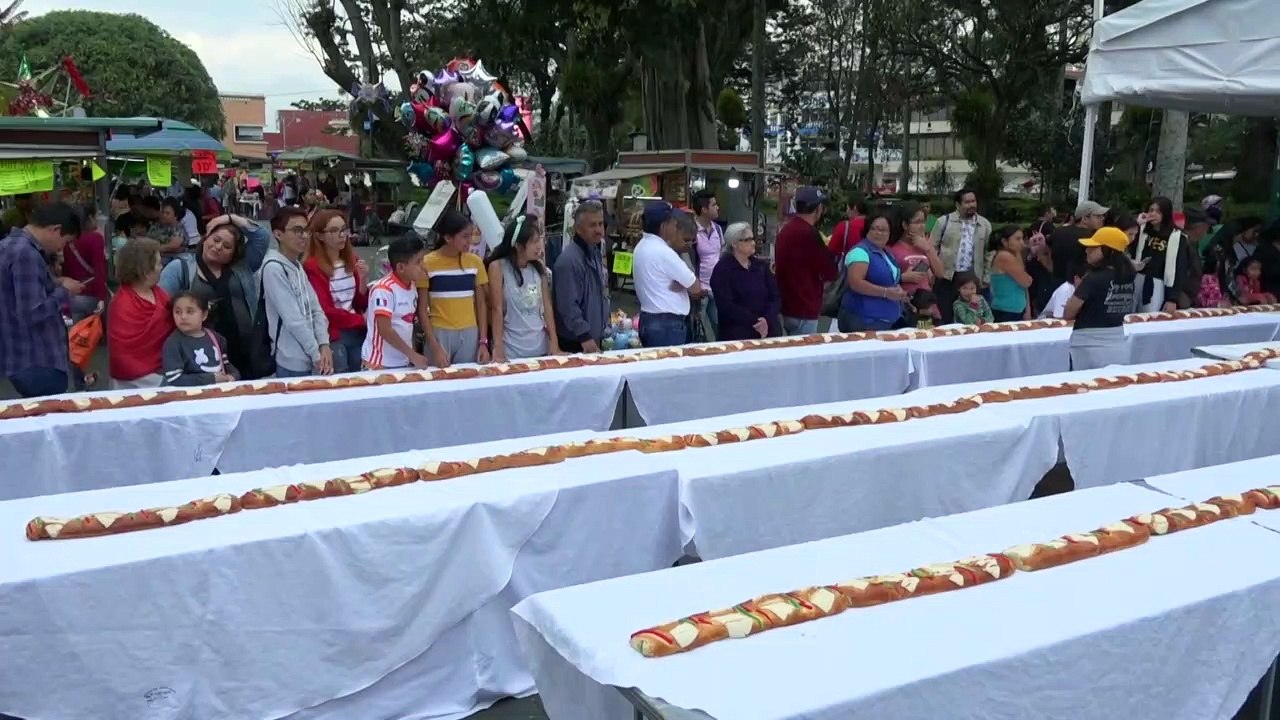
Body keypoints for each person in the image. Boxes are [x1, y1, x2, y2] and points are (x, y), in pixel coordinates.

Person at [157, 213, 271, 378]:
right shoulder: (180, 268)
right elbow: (161, 308)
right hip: (199, 356)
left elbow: (262, 237)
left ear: (233, 253)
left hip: (245, 352)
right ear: (206, 238)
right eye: (215, 240)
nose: (218, 247)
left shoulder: (242, 267)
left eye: (226, 246)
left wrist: (229, 218)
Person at [0, 202, 82, 397]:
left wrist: (52, 283)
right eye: (66, 241)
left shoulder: (7, 245)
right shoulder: (26, 254)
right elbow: (31, 312)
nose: (62, 249)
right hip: (38, 359)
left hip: (19, 356)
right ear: (55, 230)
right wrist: (64, 291)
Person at [261, 207, 333, 378]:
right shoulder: (273, 268)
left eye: (306, 230)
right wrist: (317, 355)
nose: (304, 236)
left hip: (313, 355)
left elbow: (315, 308)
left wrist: (324, 344)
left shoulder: (297, 265)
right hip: (291, 359)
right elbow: (293, 320)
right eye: (297, 231)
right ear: (278, 234)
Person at [419, 209, 489, 366]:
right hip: (439, 333)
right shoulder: (427, 263)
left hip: (470, 332)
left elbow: (481, 304)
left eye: (471, 235)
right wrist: (434, 346)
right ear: (448, 237)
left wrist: (483, 341)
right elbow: (422, 309)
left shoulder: (475, 262)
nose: (469, 241)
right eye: (465, 236)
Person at [487, 213, 561, 360]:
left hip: (540, 347)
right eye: (534, 242)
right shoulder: (498, 267)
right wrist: (498, 347)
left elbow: (547, 307)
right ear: (519, 246)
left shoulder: (539, 268)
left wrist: (555, 343)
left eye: (539, 240)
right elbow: (496, 309)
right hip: (511, 349)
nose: (539, 246)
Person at [303, 209, 369, 373]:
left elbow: (358, 302)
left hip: (357, 330)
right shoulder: (312, 266)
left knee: (361, 379)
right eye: (333, 231)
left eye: (344, 229)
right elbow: (325, 310)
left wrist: (364, 280)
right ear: (319, 236)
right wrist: (361, 319)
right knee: (341, 381)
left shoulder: (351, 259)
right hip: (334, 334)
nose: (342, 235)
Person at [633, 201, 703, 347]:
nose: (676, 228)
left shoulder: (641, 246)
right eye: (675, 225)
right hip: (667, 324)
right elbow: (696, 288)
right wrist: (685, 285)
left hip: (650, 319)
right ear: (665, 226)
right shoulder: (663, 252)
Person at [1065, 227, 1136, 370]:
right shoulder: (1129, 278)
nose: (1087, 250)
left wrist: (1077, 293)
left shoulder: (1093, 279)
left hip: (1087, 346)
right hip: (1118, 342)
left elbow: (1068, 313)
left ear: (1106, 250)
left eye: (1093, 247)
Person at [107, 238, 174, 389]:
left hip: (165, 372)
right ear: (145, 269)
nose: (161, 267)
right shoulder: (121, 303)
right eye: (157, 263)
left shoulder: (161, 294)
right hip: (132, 383)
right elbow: (122, 354)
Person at [774, 186, 838, 335]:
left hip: (787, 305)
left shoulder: (786, 230)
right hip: (805, 307)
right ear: (817, 209)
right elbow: (829, 271)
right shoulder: (809, 234)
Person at [363, 235, 429, 370]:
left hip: (402, 362)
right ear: (401, 267)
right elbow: (385, 330)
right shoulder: (383, 289)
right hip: (379, 364)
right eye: (418, 262)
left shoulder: (411, 286)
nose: (423, 266)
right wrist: (413, 355)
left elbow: (408, 324)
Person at [929, 188, 992, 324]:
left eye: (973, 201)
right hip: (947, 276)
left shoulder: (984, 225)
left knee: (971, 317)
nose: (971, 205)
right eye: (967, 202)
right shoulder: (943, 222)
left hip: (972, 277)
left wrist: (986, 277)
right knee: (945, 316)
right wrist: (931, 271)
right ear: (958, 205)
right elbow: (932, 248)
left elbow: (989, 253)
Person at [553, 199, 609, 352]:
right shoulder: (568, 261)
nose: (599, 229)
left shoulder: (594, 253)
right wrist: (585, 336)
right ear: (578, 229)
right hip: (578, 342)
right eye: (592, 225)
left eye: (600, 224)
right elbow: (568, 305)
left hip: (592, 337)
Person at [837, 213, 909, 332]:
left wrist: (899, 292)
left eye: (883, 230)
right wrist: (886, 293)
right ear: (867, 230)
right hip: (863, 320)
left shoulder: (886, 253)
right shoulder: (860, 252)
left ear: (890, 233)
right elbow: (856, 283)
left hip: (885, 321)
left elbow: (889, 279)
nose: (878, 233)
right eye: (874, 228)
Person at [710, 222, 780, 340]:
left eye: (753, 239)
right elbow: (726, 305)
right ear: (734, 243)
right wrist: (755, 321)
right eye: (747, 240)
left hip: (767, 331)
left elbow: (775, 296)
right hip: (737, 334)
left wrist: (767, 319)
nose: (753, 243)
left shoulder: (760, 266)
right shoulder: (723, 270)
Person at [162, 291, 240, 386]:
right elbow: (175, 379)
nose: (183, 316)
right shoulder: (173, 344)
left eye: (190, 311)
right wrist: (211, 379)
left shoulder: (216, 338)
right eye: (178, 312)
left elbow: (225, 364)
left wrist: (233, 375)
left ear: (204, 315)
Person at [1132, 196, 1185, 313]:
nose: (1153, 214)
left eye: (1158, 211)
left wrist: (1172, 298)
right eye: (1151, 210)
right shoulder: (1141, 230)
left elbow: (1179, 268)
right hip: (1136, 278)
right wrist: (1137, 224)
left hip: (1158, 283)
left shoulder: (1177, 236)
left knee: (1150, 317)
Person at [885, 202, 941, 298]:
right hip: (905, 301)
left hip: (926, 300)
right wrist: (902, 278)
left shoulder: (924, 246)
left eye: (923, 222)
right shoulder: (891, 249)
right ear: (905, 225)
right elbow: (883, 278)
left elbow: (940, 273)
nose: (922, 226)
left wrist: (928, 249)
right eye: (917, 222)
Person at [690, 188, 724, 338]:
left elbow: (722, 252)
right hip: (701, 288)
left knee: (720, 324)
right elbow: (690, 260)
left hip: (717, 286)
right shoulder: (692, 231)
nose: (717, 208)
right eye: (714, 205)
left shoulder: (717, 228)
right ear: (704, 209)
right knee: (698, 329)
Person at [1048, 201, 1108, 285]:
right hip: (1079, 286)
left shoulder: (1058, 232)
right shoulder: (1093, 237)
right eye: (1098, 216)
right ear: (1084, 219)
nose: (1102, 218)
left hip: (1055, 283)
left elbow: (1045, 252)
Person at [988, 226, 1032, 322]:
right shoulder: (1005, 256)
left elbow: (1023, 286)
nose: (1022, 242)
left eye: (1022, 238)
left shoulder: (1013, 256)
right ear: (1004, 241)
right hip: (1006, 311)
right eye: (1017, 239)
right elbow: (1026, 281)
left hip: (1016, 309)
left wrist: (1027, 308)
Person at [828, 197, 869, 264]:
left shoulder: (844, 226)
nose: (847, 211)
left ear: (855, 208)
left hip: (850, 266)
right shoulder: (876, 225)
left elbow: (831, 250)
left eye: (847, 208)